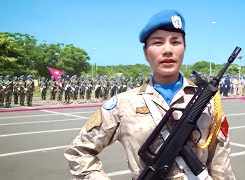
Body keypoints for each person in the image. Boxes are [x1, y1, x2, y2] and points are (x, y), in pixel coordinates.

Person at [64, 9, 236, 180]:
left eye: (175, 42)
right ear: (146, 52)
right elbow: (78, 151)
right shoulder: (122, 104)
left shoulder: (207, 102)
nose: (168, 50)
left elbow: (221, 167)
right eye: (158, 42)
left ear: (185, 48)